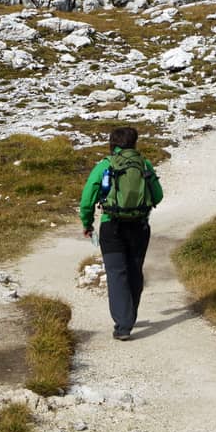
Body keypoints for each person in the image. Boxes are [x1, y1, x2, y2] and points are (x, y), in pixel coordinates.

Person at [79, 126, 163, 340]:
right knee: (134, 270)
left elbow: (88, 197)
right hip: (140, 227)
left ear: (112, 144)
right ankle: (129, 316)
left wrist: (87, 223)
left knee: (117, 274)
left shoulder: (105, 166)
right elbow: (158, 195)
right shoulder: (144, 164)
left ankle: (123, 325)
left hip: (112, 226)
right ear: (134, 143)